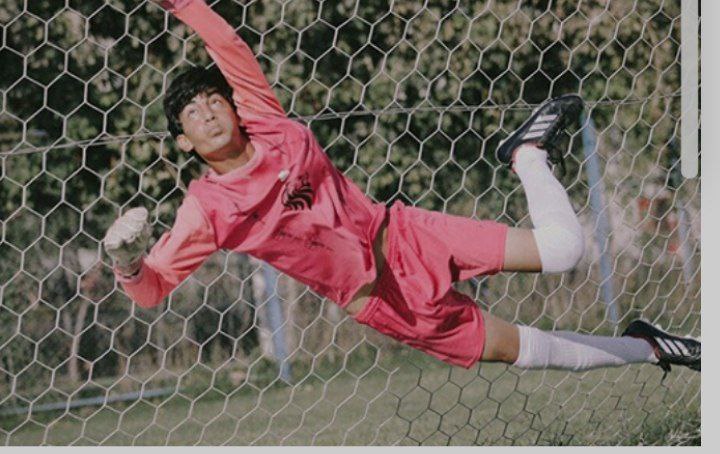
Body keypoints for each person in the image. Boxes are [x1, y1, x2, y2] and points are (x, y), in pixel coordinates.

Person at [104, 0, 700, 375]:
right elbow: (151, 290)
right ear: (183, 142)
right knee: (521, 350)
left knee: (565, 249)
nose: (208, 114)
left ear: (233, 105)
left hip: (406, 234)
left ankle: (525, 153)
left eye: (213, 101)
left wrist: (180, 3)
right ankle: (651, 349)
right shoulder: (206, 208)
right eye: (192, 114)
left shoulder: (265, 118)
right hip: (384, 300)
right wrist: (126, 261)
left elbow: (229, 46)